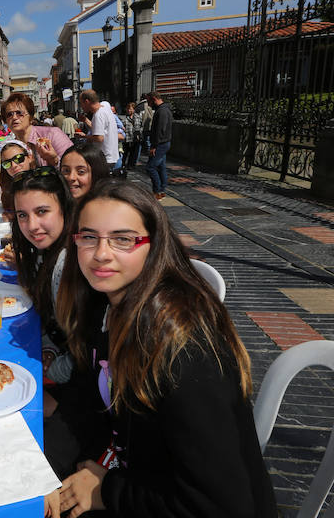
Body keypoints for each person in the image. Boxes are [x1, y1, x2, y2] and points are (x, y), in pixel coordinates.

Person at [46, 181, 277, 518]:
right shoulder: (105, 305)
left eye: (123, 239)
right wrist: (43, 469)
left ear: (153, 247)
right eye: (89, 236)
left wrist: (108, 490)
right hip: (134, 472)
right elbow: (87, 396)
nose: (101, 253)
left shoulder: (182, 353)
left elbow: (221, 505)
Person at [7, 167, 74, 388]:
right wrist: (50, 348)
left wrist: (52, 370)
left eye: (42, 211)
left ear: (63, 208)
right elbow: (53, 319)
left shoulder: (67, 263)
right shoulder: (42, 251)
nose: (32, 226)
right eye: (23, 215)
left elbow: (87, 349)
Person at [3, 93, 72, 167]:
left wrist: (54, 160)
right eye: (9, 114)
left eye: (19, 113)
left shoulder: (52, 134)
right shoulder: (13, 146)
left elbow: (74, 166)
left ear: (31, 117)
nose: (14, 117)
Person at [79, 89, 120, 171]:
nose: (81, 107)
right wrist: (86, 120)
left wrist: (85, 136)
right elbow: (99, 129)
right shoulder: (105, 106)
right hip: (112, 155)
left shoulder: (98, 115)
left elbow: (99, 138)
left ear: (87, 101)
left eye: (81, 103)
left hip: (104, 158)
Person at [146, 91, 173, 200]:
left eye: (148, 101)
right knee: (161, 167)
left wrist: (154, 146)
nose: (148, 104)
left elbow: (160, 130)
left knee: (150, 167)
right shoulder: (163, 110)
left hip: (161, 144)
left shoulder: (162, 111)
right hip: (164, 143)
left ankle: (157, 191)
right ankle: (162, 190)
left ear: (154, 99)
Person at [0, 140, 36, 213]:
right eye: (7, 163)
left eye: (18, 158)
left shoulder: (41, 185)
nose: (14, 165)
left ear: (30, 158)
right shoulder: (8, 188)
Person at [122, 101, 144, 169]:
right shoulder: (125, 117)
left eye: (130, 108)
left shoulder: (136, 117)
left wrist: (137, 135)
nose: (129, 110)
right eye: (128, 108)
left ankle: (130, 165)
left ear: (134, 109)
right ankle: (122, 164)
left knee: (132, 153)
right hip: (126, 138)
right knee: (124, 153)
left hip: (134, 138)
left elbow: (138, 127)